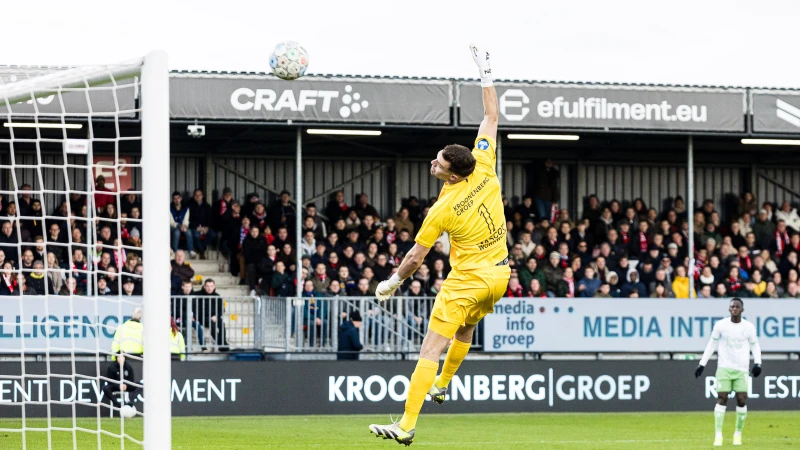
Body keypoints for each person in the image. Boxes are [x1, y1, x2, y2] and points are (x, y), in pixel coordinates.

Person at [369, 44, 510, 445]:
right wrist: (486, 75)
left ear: (451, 176)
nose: (433, 164)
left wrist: (390, 283)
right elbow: (490, 116)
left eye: (438, 164)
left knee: (429, 349)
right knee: (465, 329)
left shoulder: (441, 210)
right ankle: (445, 385)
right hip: (499, 276)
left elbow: (415, 257)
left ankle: (406, 426)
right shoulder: (484, 165)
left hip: (467, 279)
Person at [694, 298, 762, 447]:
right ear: (729, 309)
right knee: (722, 397)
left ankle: (737, 434)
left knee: (742, 399)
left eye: (737, 307)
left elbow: (755, 345)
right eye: (732, 307)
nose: (734, 309)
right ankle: (718, 435)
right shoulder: (721, 325)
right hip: (724, 367)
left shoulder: (748, 327)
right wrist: (702, 364)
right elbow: (711, 344)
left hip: (742, 369)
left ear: (742, 310)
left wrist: (758, 362)